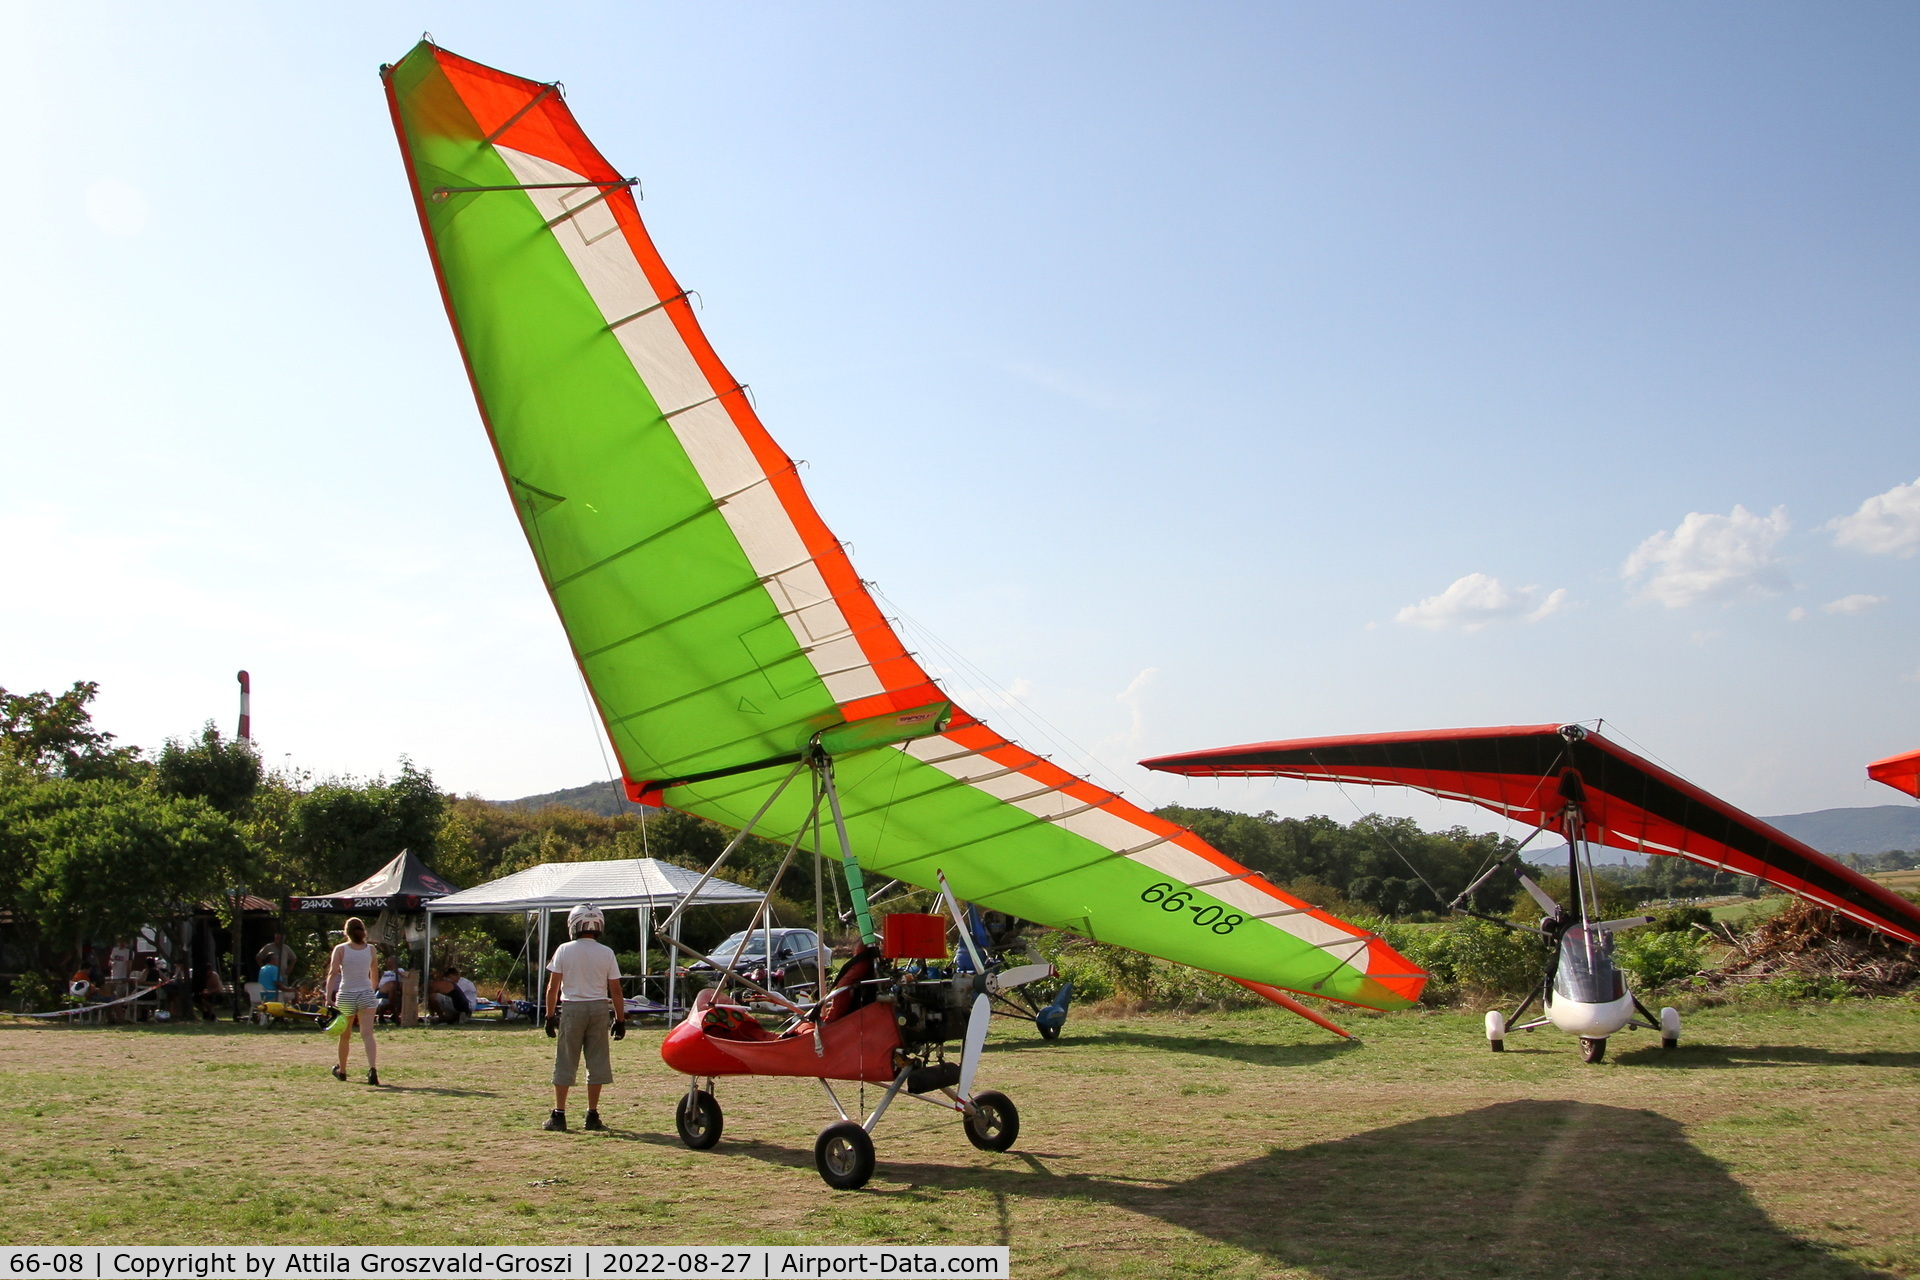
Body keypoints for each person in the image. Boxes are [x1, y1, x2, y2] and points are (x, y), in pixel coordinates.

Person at [542, 903, 625, 1132]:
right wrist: (620, 1019)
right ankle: (592, 1114)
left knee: (566, 1059)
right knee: (596, 1061)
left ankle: (559, 1114)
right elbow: (615, 990)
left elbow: (553, 987)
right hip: (598, 1008)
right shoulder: (606, 952)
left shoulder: (564, 950)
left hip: (572, 1008)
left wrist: (549, 1016)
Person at [324, 917, 382, 1085]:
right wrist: (371, 990)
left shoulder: (341, 949)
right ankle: (372, 1069)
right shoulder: (370, 949)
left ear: (346, 932)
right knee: (368, 1034)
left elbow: (333, 973)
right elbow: (374, 973)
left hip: (347, 993)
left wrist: (328, 996)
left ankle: (342, 1070)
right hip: (365, 992)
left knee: (345, 1035)